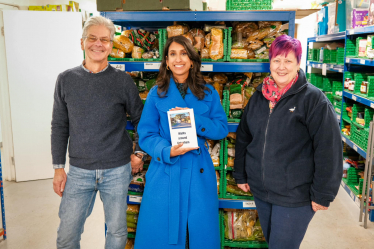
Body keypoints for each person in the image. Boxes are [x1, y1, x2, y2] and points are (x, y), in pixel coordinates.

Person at [233, 35, 342, 249]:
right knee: (273, 242)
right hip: (261, 190)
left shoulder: (314, 99)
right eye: (276, 60)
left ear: (298, 64)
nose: (281, 67)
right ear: (270, 63)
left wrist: (323, 193)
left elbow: (328, 149)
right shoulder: (259, 95)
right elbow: (244, 136)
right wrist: (241, 174)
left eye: (288, 61)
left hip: (295, 194)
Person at [51, 16, 147, 249]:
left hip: (117, 170)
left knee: (116, 231)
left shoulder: (123, 82)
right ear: (82, 42)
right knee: (66, 236)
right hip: (79, 171)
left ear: (111, 45)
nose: (98, 44)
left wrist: (139, 153)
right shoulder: (66, 79)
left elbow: (141, 120)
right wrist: (58, 168)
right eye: (92, 38)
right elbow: (59, 125)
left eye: (104, 39)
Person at [134, 36, 228, 249]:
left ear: (192, 60)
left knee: (196, 232)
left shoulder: (209, 92)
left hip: (198, 171)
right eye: (173, 54)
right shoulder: (156, 93)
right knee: (163, 231)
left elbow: (221, 129)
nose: (179, 59)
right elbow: (146, 133)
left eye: (184, 53)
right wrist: (166, 151)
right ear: (166, 61)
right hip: (166, 169)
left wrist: (194, 119)